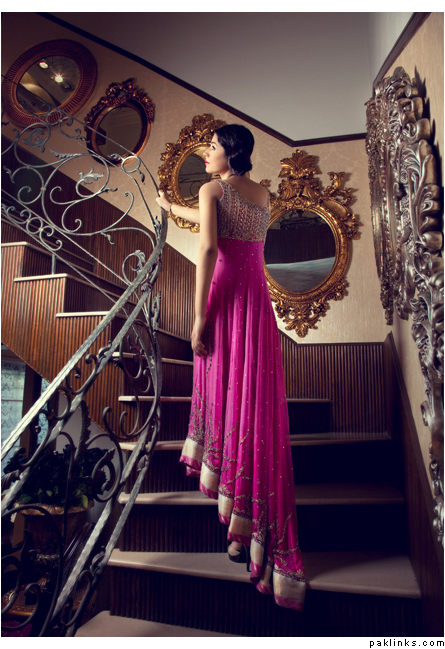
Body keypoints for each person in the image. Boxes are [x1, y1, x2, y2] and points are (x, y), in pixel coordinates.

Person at [156, 124, 306, 611]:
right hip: (256, 306)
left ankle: (242, 522)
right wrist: (170, 207)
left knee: (227, 397)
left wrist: (199, 317)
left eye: (214, 147)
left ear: (230, 152)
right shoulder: (261, 193)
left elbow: (206, 247)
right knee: (252, 408)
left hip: (225, 300)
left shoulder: (212, 189)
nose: (208, 153)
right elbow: (211, 220)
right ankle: (247, 530)